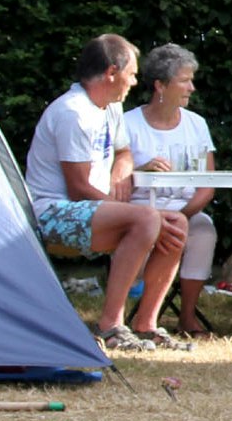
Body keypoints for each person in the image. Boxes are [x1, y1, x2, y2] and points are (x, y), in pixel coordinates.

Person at [24, 34, 190, 352]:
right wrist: (121, 205)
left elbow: (124, 153)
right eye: (132, 73)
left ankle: (146, 325)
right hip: (51, 214)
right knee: (147, 219)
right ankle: (111, 326)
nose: (135, 81)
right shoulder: (73, 112)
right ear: (112, 72)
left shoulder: (110, 107)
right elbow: (78, 189)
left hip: (92, 208)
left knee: (177, 224)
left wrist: (118, 179)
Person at [122, 42, 218, 338]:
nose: (192, 88)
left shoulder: (197, 124)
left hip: (185, 210)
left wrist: (184, 215)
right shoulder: (128, 124)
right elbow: (116, 182)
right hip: (140, 210)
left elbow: (207, 184)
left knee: (204, 231)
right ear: (160, 86)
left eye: (192, 80)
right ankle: (125, 316)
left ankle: (187, 316)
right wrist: (141, 170)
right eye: (185, 81)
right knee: (152, 229)